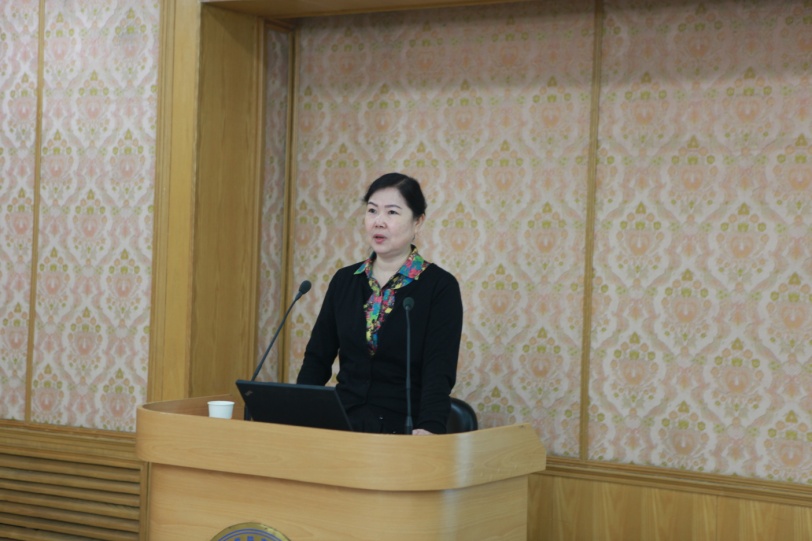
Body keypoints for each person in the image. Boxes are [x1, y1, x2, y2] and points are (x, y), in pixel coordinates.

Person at [297, 172, 464, 435]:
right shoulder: (345, 280)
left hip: (403, 428)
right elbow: (317, 358)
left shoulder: (439, 286)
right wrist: (299, 413)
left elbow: (438, 369)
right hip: (343, 424)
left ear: (418, 222)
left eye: (392, 212)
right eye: (372, 210)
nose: (379, 222)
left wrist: (429, 427)